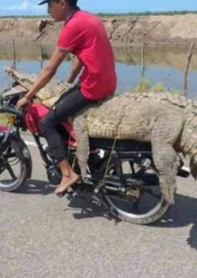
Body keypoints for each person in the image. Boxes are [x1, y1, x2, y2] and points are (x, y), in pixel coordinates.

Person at [16, 0, 117, 195]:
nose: (48, 10)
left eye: (50, 5)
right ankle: (77, 156)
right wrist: (69, 82)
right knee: (62, 108)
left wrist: (28, 96)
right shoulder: (88, 18)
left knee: (47, 123)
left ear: (62, 3)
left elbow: (49, 69)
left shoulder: (72, 26)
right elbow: (80, 57)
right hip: (107, 82)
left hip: (93, 87)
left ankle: (67, 173)